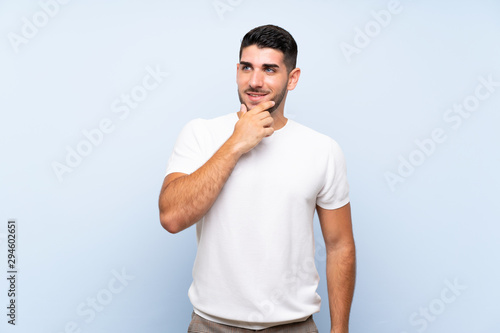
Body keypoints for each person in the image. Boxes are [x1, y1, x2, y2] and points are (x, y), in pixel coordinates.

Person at [158, 24, 356, 333]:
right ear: (237, 70)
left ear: (292, 78)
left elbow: (340, 245)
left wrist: (340, 330)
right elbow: (172, 218)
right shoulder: (200, 134)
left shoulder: (323, 149)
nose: (255, 81)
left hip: (294, 326)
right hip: (212, 326)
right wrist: (236, 143)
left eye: (269, 70)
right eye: (247, 68)